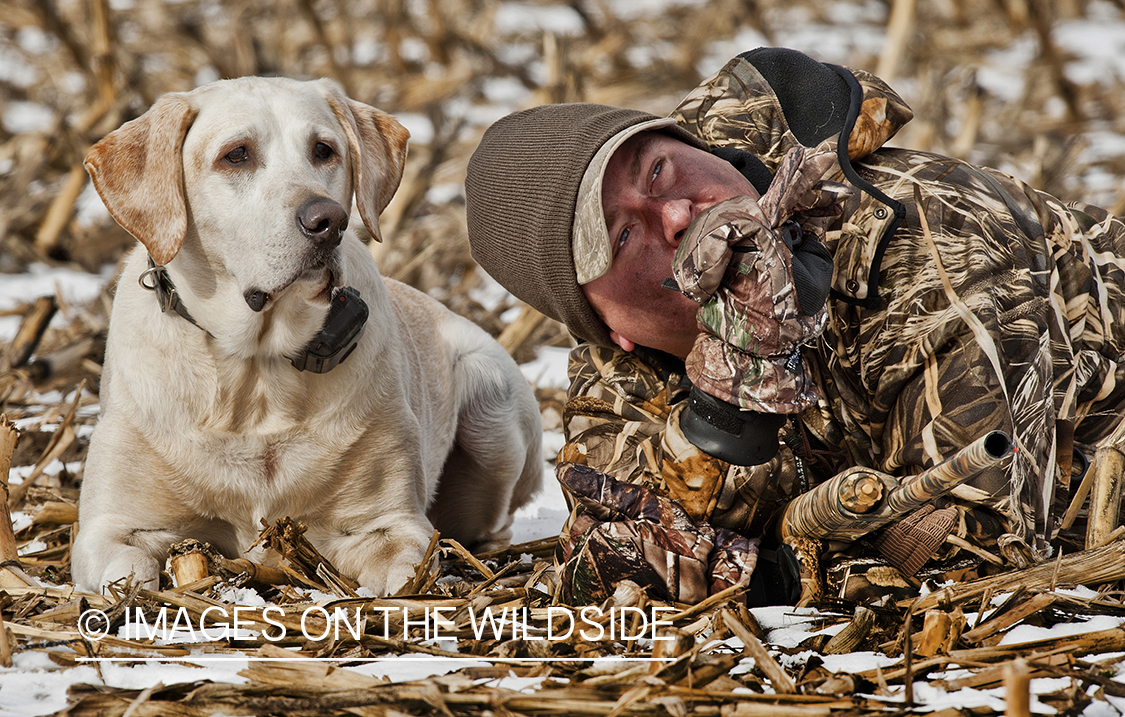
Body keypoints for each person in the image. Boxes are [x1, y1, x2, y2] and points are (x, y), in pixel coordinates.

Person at [464, 47, 1125, 606]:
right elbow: (610, 585)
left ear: (697, 145)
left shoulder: (934, 244)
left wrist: (770, 566)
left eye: (659, 169)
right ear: (610, 328)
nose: (672, 215)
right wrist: (732, 398)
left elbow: (972, 563)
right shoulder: (618, 383)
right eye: (624, 233)